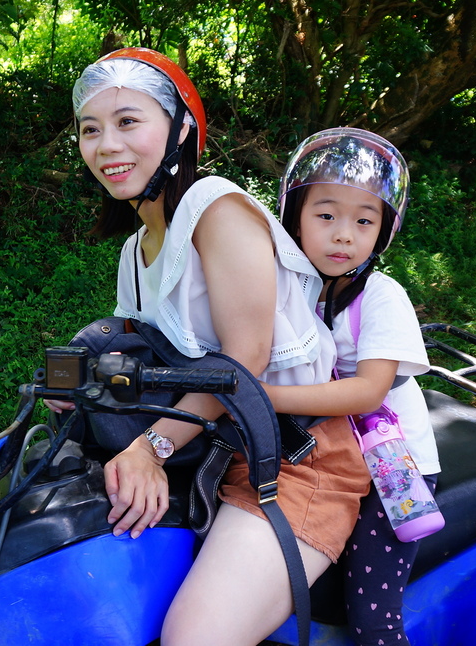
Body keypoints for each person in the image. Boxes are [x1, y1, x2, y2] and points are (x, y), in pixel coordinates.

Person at [67, 48, 371, 645]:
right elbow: (139, 358)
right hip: (206, 447)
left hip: (293, 457)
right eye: (90, 129)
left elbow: (243, 361)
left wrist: (150, 447)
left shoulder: (216, 209)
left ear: (181, 128)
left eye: (129, 121)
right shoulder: (134, 252)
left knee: (195, 638)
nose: (107, 145)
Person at [262, 127, 441, 646]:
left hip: (392, 471)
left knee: (371, 616)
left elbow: (368, 391)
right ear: (294, 216)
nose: (344, 234)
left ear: (382, 230)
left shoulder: (382, 297)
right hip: (326, 459)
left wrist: (263, 397)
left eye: (364, 220)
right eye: (326, 215)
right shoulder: (294, 289)